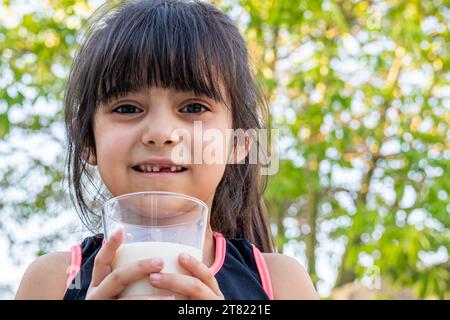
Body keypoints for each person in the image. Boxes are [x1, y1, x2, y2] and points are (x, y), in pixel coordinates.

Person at [15, 0, 318, 300]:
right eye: (128, 108)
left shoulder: (279, 282)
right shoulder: (54, 281)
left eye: (193, 107)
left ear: (238, 143)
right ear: (86, 140)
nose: (160, 134)